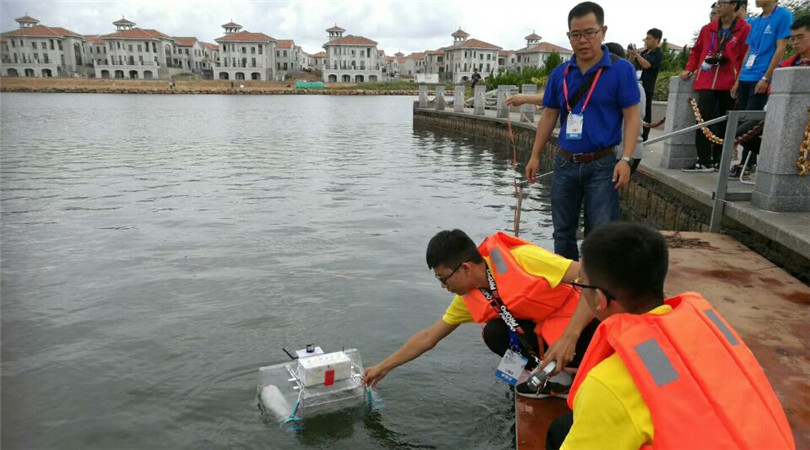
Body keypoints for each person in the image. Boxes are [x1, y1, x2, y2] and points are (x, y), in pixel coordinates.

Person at [545, 222, 796, 450]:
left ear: (599, 300)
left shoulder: (607, 384)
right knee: (562, 428)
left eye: (581, 284)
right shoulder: (715, 336)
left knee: (560, 434)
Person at [363, 230, 599, 399]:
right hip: (545, 336)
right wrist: (383, 367)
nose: (443, 286)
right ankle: (555, 380)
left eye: (443, 279)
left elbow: (593, 276)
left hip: (587, 324)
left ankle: (577, 369)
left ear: (464, 268)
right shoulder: (467, 298)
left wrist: (570, 335)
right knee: (494, 333)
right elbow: (429, 337)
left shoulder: (523, 259)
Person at [525, 1, 640, 261]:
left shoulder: (621, 70)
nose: (583, 40)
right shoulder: (561, 73)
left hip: (602, 164)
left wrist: (626, 159)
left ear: (603, 32)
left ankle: (595, 287)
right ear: (569, 36)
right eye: (575, 34)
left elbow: (632, 118)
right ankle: (569, 287)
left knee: (601, 233)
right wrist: (534, 155)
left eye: (590, 32)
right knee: (562, 231)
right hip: (565, 162)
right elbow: (549, 115)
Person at [680, 0, 751, 172]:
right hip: (706, 80)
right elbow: (696, 51)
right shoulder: (708, 29)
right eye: (717, 3)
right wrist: (689, 68)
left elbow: (745, 57)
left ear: (734, 5)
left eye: (723, 3)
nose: (718, 6)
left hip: (728, 84)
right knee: (703, 120)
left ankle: (720, 160)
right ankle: (703, 160)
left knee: (725, 124)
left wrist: (738, 81)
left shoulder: (744, 29)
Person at [730, 0, 793, 176]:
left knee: (747, 128)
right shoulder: (755, 21)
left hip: (761, 78)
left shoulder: (783, 16)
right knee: (740, 125)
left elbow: (780, 49)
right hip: (746, 77)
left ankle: (753, 163)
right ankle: (755, 161)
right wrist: (738, 79)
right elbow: (749, 51)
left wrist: (767, 76)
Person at [628, 28, 663, 142]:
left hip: (647, 87)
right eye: (646, 38)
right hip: (637, 84)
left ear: (656, 40)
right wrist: (632, 54)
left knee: (646, 113)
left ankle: (644, 137)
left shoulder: (658, 53)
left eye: (649, 38)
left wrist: (637, 55)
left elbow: (647, 65)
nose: (646, 41)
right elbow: (632, 63)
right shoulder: (644, 52)